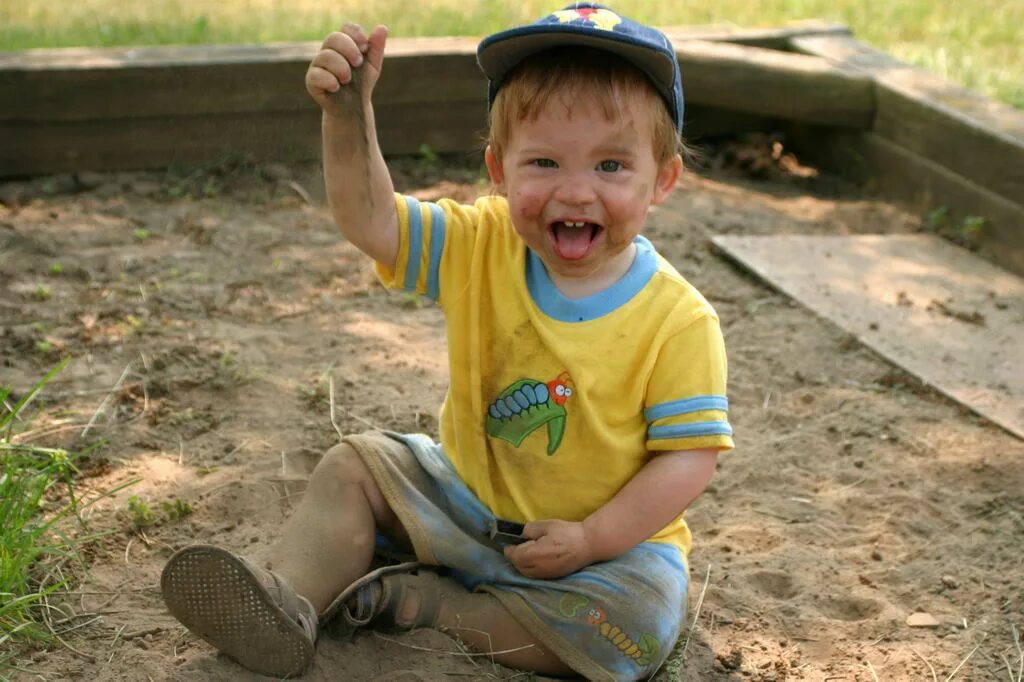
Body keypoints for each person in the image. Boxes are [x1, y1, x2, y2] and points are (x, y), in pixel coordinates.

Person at [160, 3, 733, 680]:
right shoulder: (480, 244)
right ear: (499, 167)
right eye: (544, 162)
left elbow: (688, 460)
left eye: (611, 166)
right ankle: (290, 603)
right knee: (355, 467)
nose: (575, 191)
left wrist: (591, 539)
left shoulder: (679, 320)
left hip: (605, 551)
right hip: (464, 507)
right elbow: (372, 220)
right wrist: (348, 115)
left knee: (634, 629)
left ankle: (424, 606)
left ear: (661, 179)